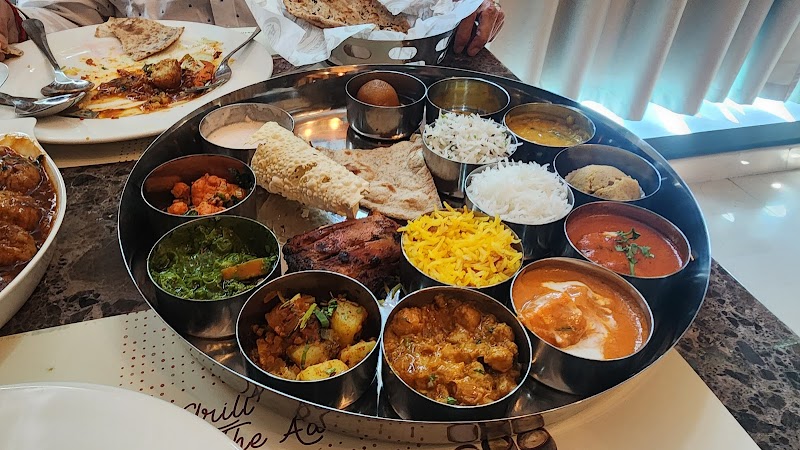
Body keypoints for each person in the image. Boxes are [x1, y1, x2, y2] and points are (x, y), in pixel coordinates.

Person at [0, 0, 504, 61]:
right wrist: (17, 23)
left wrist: (457, 7)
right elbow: (63, 15)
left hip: (313, 94)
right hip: (150, 101)